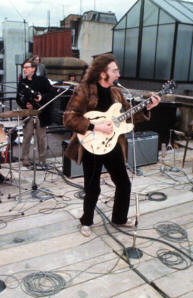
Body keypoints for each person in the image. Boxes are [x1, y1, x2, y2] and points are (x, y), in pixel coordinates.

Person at [63, 54, 161, 237]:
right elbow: (68, 118)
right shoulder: (84, 90)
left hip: (113, 143)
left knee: (124, 183)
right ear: (102, 74)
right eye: (114, 70)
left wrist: (147, 107)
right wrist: (95, 125)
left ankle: (119, 218)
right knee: (92, 187)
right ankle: (86, 221)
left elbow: (128, 116)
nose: (118, 73)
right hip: (91, 144)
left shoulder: (116, 93)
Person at [16, 60, 56, 168]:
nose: (24, 69)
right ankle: (25, 159)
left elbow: (52, 92)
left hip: (40, 113)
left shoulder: (42, 80)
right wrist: (25, 105)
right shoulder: (22, 83)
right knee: (27, 137)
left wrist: (41, 97)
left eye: (27, 67)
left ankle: (42, 160)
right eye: (23, 68)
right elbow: (18, 98)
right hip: (28, 113)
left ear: (33, 69)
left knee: (41, 138)